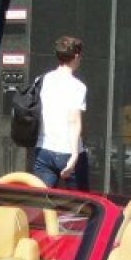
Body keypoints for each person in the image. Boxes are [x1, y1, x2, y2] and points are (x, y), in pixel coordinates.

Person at [33, 35, 89, 190]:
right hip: (67, 151)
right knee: (80, 206)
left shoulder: (40, 80)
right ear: (76, 56)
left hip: (43, 149)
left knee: (42, 204)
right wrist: (75, 155)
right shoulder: (78, 86)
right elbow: (73, 120)